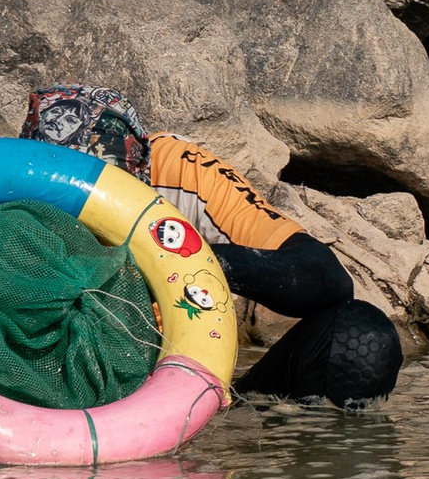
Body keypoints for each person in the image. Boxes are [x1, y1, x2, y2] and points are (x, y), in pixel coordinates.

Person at [20, 86, 403, 405]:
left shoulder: (177, 167)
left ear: (137, 169)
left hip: (182, 390)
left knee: (363, 336)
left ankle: (310, 469)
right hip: (46, 381)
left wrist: (190, 260)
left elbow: (324, 278)